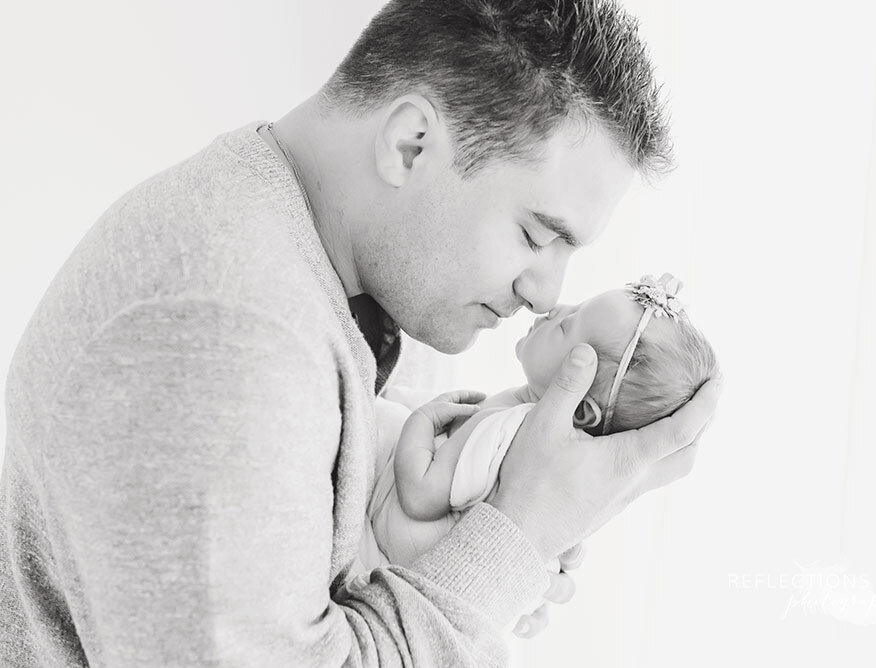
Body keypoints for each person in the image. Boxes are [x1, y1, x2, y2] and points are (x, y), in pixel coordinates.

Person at [0, 0, 723, 665]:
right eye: (537, 236)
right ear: (411, 144)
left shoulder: (290, 270)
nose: (546, 294)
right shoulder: (225, 335)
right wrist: (520, 533)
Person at [350, 274, 718, 627]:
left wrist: (423, 419)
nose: (554, 307)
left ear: (579, 408)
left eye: (568, 324)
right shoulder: (561, 482)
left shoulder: (508, 428)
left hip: (372, 554)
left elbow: (419, 493)